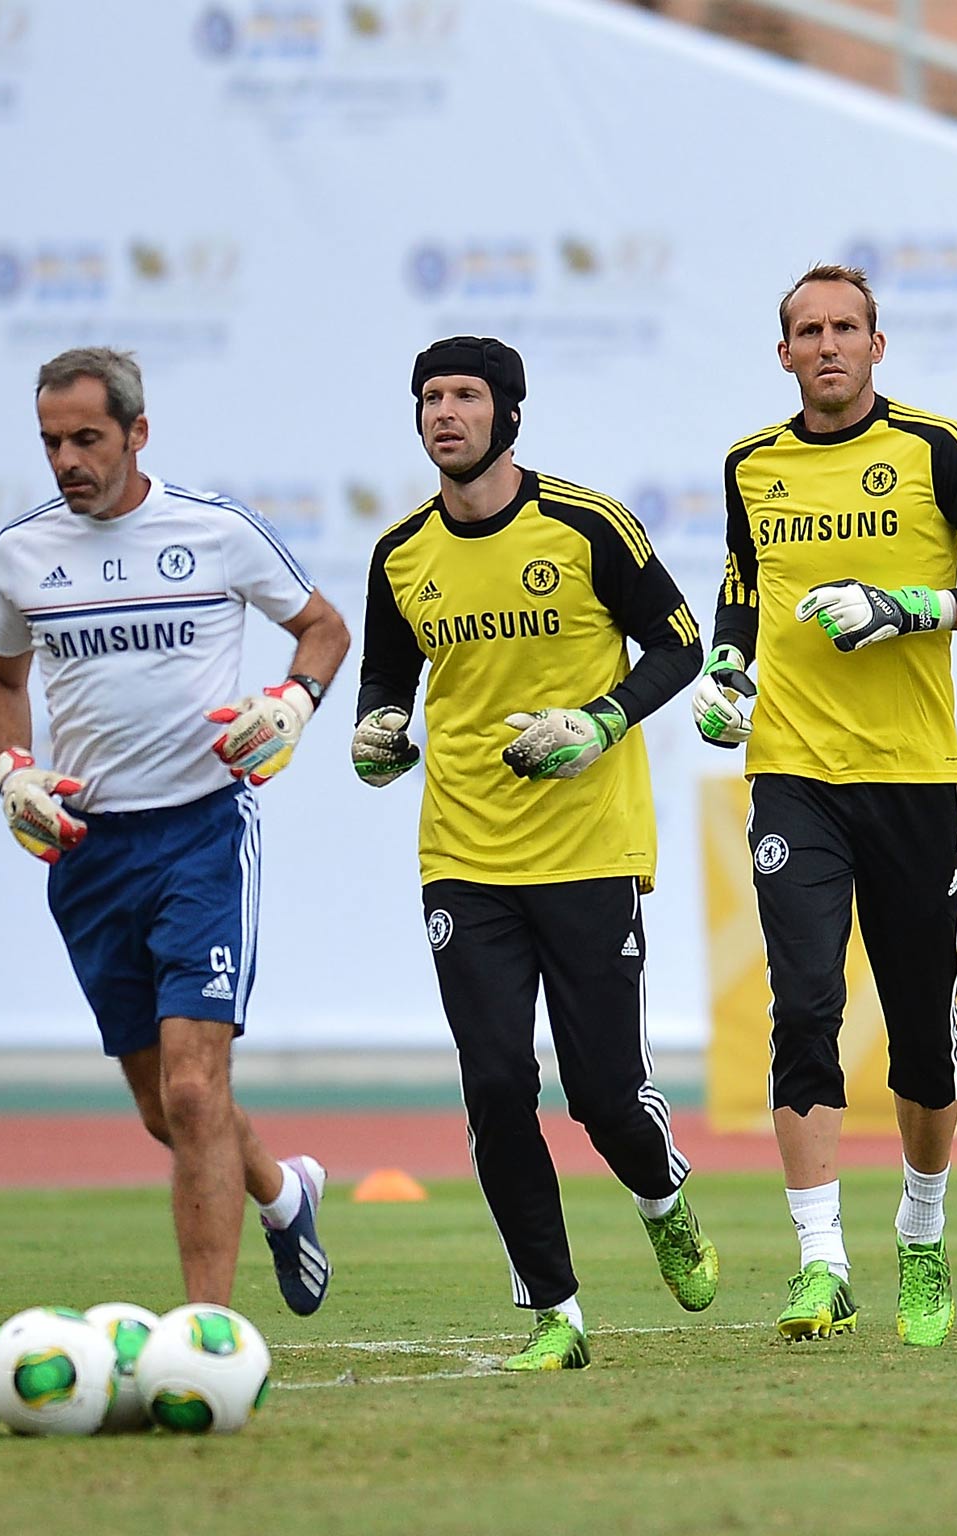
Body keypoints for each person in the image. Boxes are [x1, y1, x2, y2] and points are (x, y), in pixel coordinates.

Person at [695, 264, 957, 1347]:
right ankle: (821, 1262)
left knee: (919, 1031)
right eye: (805, 331)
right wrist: (725, 671)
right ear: (782, 354)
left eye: (844, 327)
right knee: (803, 1005)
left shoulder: (936, 448)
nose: (826, 346)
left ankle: (921, 1228)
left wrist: (910, 606)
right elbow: (741, 585)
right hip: (791, 775)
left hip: (908, 778)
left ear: (876, 343)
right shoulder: (748, 465)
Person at [353, 336, 714, 1372]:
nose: (444, 414)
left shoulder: (587, 524)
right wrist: (378, 734)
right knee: (497, 1079)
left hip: (589, 847)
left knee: (603, 1094)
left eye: (465, 397)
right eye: (429, 398)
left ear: (510, 415)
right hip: (463, 854)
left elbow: (680, 645)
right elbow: (387, 681)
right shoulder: (399, 554)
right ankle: (556, 1312)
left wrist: (600, 723)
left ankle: (661, 1196)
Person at [0, 346, 349, 1313]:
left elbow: (322, 628)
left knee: (195, 1093)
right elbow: (2, 680)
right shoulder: (22, 553)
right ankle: (283, 1191)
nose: (67, 460)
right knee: (164, 1111)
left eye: (87, 438)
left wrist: (295, 703)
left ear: (138, 434)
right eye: (52, 441)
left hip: (200, 834)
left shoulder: (216, 530)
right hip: (88, 849)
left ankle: (206, 1334)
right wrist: (13, 769)